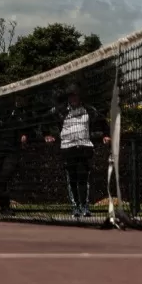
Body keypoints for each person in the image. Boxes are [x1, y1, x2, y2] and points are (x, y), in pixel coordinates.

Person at [45, 85, 109, 217]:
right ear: (68, 98)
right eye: (71, 96)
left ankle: (84, 206)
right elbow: (44, 120)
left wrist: (106, 134)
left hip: (84, 147)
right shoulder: (59, 111)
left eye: (75, 95)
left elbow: (103, 121)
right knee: (72, 178)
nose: (73, 98)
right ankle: (75, 207)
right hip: (68, 148)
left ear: (79, 97)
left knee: (83, 178)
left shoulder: (89, 110)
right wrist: (47, 134)